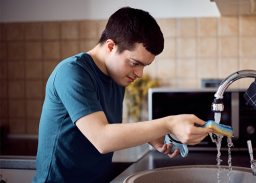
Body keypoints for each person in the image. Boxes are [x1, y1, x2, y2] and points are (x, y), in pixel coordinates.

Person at [32, 6, 212, 183]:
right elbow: (102, 138)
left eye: (144, 66)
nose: (140, 73)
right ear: (110, 46)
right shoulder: (71, 72)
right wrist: (169, 124)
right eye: (135, 63)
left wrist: (150, 136)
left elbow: (104, 125)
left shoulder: (117, 77)